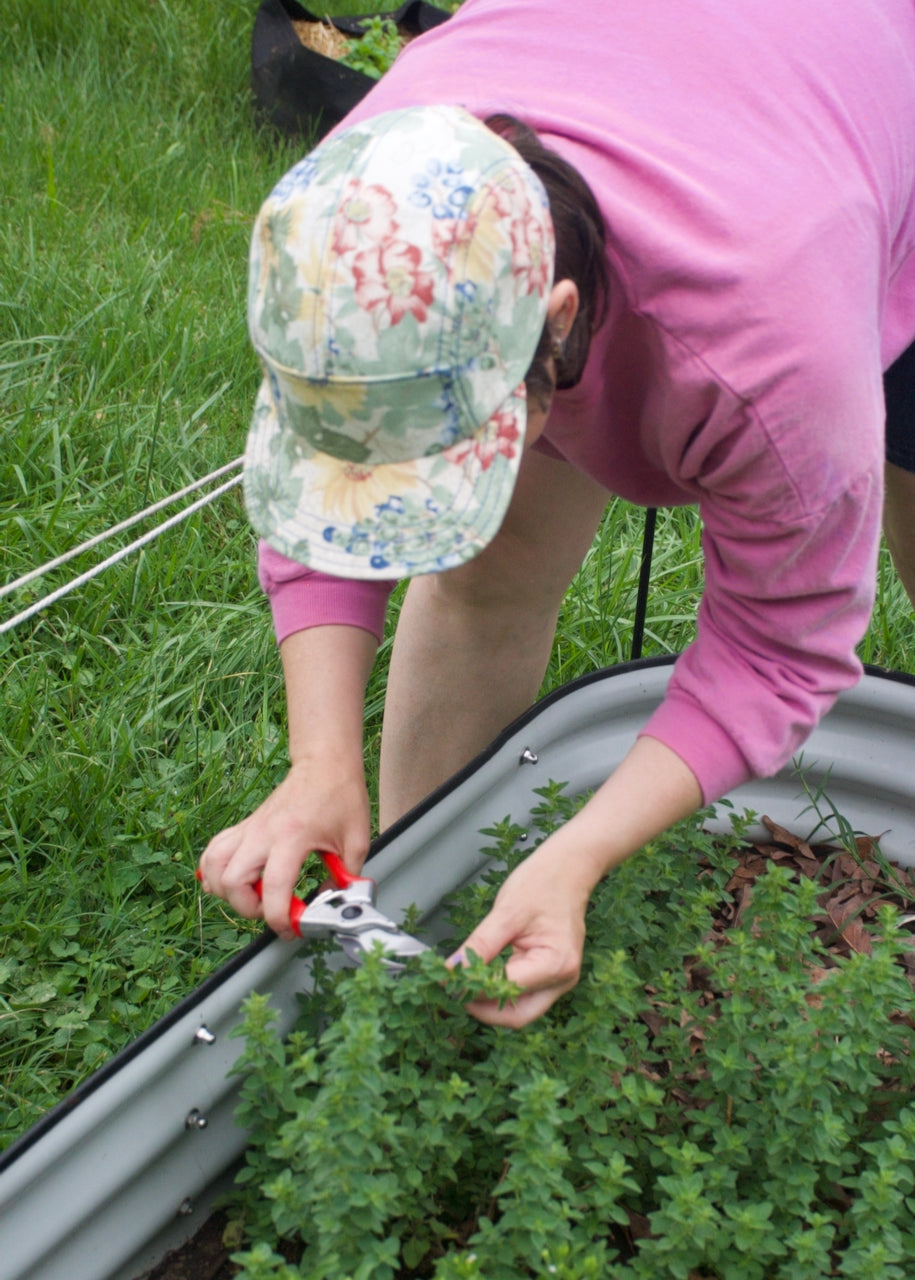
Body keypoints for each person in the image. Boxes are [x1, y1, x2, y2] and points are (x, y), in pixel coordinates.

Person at [198, 0, 915, 1027]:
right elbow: (332, 478)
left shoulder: (775, 359)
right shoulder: (360, 214)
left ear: (560, 321)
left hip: (867, 104)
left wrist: (577, 854)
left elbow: (779, 647)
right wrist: (320, 762)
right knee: (489, 568)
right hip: (669, 78)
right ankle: (425, 927)